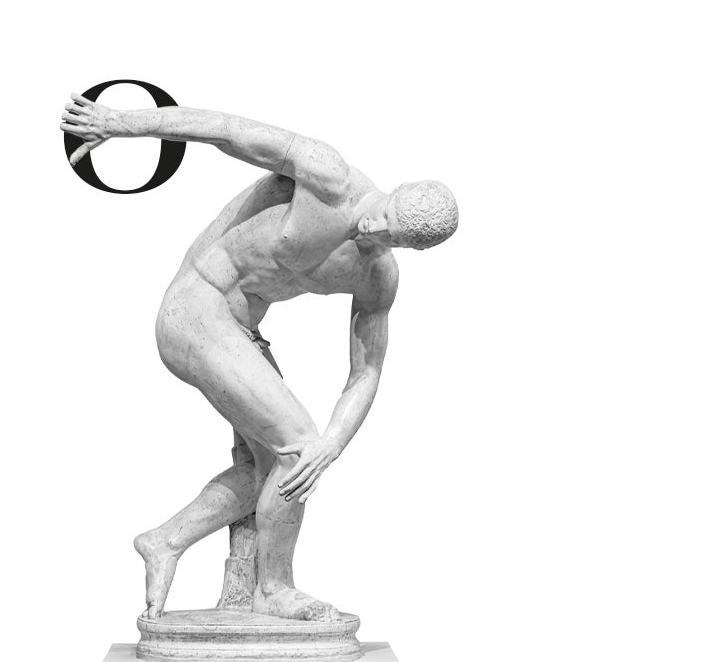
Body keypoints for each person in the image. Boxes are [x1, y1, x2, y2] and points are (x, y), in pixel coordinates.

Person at [61, 95, 458, 620]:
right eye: (384, 217)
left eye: (394, 238)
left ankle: (165, 541)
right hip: (196, 308)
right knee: (297, 449)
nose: (374, 232)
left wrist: (334, 443)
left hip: (242, 334)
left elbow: (366, 369)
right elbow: (225, 130)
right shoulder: (327, 177)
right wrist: (118, 123)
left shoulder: (377, 273)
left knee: (276, 468)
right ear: (395, 190)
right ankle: (273, 589)